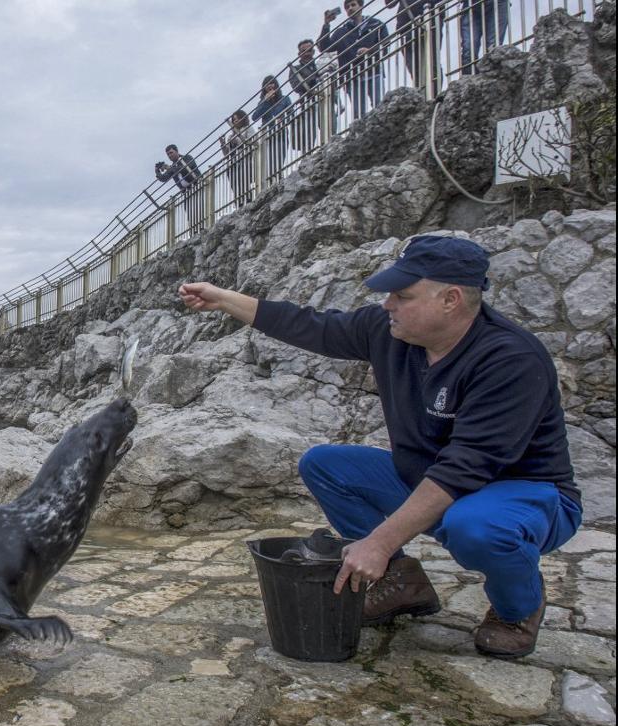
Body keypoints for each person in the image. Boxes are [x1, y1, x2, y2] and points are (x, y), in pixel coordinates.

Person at [178, 235, 580, 658]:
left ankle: (518, 608)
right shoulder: (390, 332)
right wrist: (225, 300)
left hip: (523, 494)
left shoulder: (510, 360)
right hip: (434, 478)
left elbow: (466, 468)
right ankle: (402, 583)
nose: (388, 304)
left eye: (403, 295)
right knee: (326, 465)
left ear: (451, 299)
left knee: (475, 527)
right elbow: (314, 326)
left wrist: (379, 541)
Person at [318, 0, 390, 121]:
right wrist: (326, 24)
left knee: (379, 104)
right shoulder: (341, 31)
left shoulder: (376, 24)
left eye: (353, 5)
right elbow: (324, 47)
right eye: (347, 7)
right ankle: (360, 137)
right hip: (352, 76)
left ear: (361, 6)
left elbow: (386, 44)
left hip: (374, 71)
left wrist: (370, 50)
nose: (350, 8)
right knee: (358, 112)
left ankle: (383, 131)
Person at [386, 0, 443, 93]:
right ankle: (422, 97)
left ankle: (434, 96)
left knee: (432, 63)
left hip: (432, 15)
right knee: (415, 68)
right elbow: (389, 3)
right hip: (406, 24)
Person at [249, 76, 293, 182]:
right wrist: (265, 101)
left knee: (278, 159)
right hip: (268, 136)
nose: (270, 86)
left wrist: (284, 119)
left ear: (276, 85)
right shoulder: (262, 102)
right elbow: (255, 117)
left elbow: (291, 114)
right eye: (267, 84)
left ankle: (277, 179)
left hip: (281, 133)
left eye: (272, 83)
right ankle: (273, 181)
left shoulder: (284, 99)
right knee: (270, 161)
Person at [155, 144, 203, 229]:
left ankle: (203, 227)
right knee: (190, 212)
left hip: (197, 185)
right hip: (186, 191)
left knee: (199, 208)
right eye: (168, 154)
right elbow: (163, 178)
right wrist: (157, 171)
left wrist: (169, 168)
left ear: (177, 151)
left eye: (171, 153)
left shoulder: (187, 157)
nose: (170, 156)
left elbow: (185, 168)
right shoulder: (172, 167)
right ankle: (194, 230)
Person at [460, 0, 510, 75]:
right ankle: (470, 84)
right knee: (468, 52)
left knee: (493, 49)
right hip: (470, 4)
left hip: (497, 3)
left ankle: (492, 81)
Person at [219, 110, 255, 208]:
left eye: (236, 119)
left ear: (242, 118)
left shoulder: (248, 129)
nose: (234, 121)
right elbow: (227, 154)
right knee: (235, 185)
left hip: (244, 159)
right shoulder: (231, 136)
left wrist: (237, 140)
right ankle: (239, 202)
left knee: (244, 182)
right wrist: (223, 144)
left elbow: (252, 142)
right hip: (232, 163)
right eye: (233, 120)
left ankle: (248, 199)